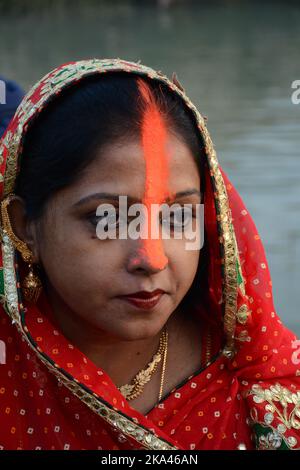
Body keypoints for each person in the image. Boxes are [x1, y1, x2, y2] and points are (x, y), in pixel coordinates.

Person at [0, 58, 299, 451]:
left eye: (177, 216)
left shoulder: (258, 394)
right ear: (25, 226)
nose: (152, 258)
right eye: (105, 219)